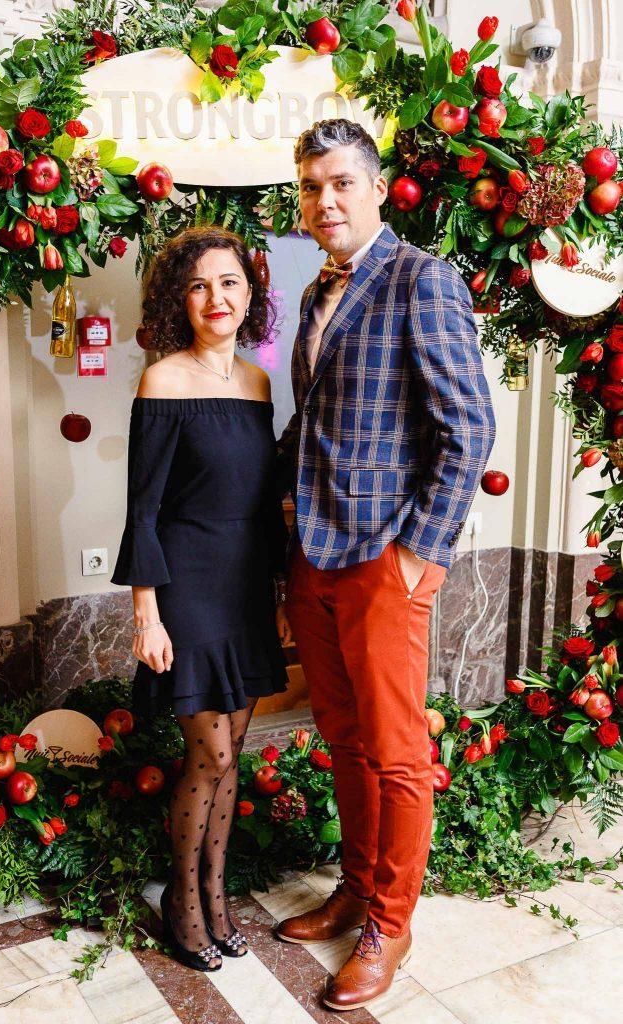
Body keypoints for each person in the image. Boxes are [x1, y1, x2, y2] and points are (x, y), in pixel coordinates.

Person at [275, 119, 496, 1011]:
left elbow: (467, 426)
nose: (323, 201)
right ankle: (357, 888)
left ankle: (390, 925)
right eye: (310, 187)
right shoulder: (314, 292)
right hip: (313, 552)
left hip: (383, 556)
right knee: (343, 738)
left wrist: (419, 553)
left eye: (339, 183)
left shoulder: (421, 279)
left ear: (375, 188)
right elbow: (314, 424)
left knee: (398, 753)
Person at [111, 226, 291, 973]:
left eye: (228, 282)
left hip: (245, 589)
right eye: (198, 285)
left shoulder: (257, 383)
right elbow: (144, 507)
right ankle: (181, 904)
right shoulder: (162, 381)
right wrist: (146, 614)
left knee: (231, 755)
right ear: (178, 301)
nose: (215, 297)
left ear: (249, 296)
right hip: (186, 588)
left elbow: (261, 503)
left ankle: (216, 897)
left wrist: (278, 592)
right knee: (208, 754)